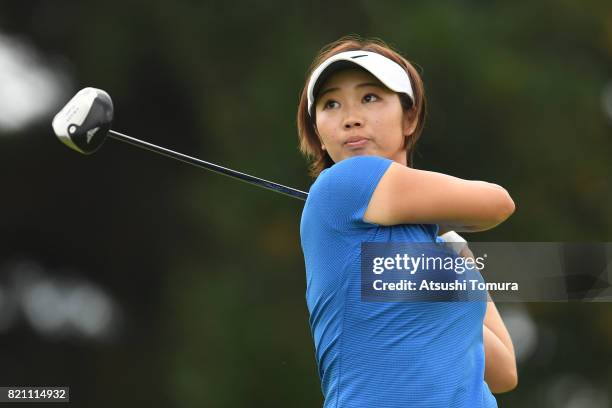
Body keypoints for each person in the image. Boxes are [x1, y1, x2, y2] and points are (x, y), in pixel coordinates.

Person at [297, 35, 517, 408]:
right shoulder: (344, 183)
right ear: (317, 130)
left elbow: (502, 370)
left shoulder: (435, 246)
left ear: (409, 116)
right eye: (331, 103)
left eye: (370, 97)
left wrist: (448, 244)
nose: (351, 118)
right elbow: (497, 202)